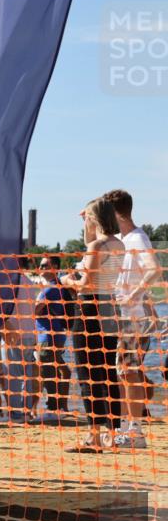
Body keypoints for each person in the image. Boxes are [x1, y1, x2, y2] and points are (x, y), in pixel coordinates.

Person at [60, 197, 124, 452]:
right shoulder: (117, 243)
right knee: (107, 371)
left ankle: (93, 435)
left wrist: (67, 281)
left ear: (94, 219)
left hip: (89, 307)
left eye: (87, 218)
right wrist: (89, 225)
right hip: (110, 306)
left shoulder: (97, 246)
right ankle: (111, 433)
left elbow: (86, 283)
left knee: (88, 372)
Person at [107, 189, 157, 448]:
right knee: (122, 372)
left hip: (133, 319)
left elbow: (152, 271)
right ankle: (127, 427)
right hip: (126, 319)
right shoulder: (121, 238)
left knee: (129, 371)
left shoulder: (138, 238)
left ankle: (135, 431)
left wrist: (134, 297)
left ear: (117, 214)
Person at [33, 254, 74, 419]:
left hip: (47, 337)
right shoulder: (59, 287)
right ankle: (62, 407)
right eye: (41, 265)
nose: (41, 268)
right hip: (57, 335)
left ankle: (53, 409)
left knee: (47, 372)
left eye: (45, 266)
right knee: (62, 370)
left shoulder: (49, 289)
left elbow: (34, 311)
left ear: (55, 268)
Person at [4, 257, 41, 423]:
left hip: (15, 333)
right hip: (29, 333)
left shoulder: (12, 282)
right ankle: (26, 412)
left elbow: (6, 310)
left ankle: (16, 414)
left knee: (13, 374)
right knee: (27, 374)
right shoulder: (29, 282)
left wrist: (5, 329)